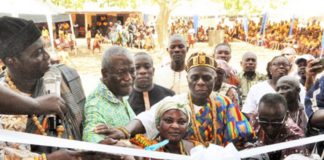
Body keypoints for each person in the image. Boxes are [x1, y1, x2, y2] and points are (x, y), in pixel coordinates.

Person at [95, 52, 255, 149]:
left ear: (215, 79)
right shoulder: (176, 102)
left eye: (206, 78)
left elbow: (243, 136)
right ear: (188, 79)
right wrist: (124, 131)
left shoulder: (224, 103)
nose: (200, 82)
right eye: (195, 77)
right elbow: (147, 118)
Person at [0, 16, 93, 159]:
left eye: (44, 48)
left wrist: (93, 148)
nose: (47, 56)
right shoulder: (5, 102)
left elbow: (83, 129)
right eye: (37, 53)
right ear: (12, 61)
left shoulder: (66, 76)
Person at [83, 46, 136, 144]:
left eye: (132, 71)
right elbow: (90, 136)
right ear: (105, 74)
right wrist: (114, 145)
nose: (128, 78)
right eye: (121, 72)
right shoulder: (96, 104)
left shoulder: (117, 93)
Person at [242, 56, 306, 120]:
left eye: (285, 65)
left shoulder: (297, 86)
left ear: (290, 68)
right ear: (270, 68)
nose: (281, 67)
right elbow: (248, 112)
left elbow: (303, 109)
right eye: (277, 64)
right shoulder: (256, 88)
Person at [130, 100, 198, 156]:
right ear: (158, 124)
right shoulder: (144, 145)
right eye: (168, 121)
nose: (175, 126)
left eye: (181, 122)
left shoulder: (196, 148)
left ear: (188, 127)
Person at [256, 93, 308, 159]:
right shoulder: (255, 122)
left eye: (276, 122)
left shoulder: (295, 138)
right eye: (264, 121)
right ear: (258, 114)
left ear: (286, 116)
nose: (269, 127)